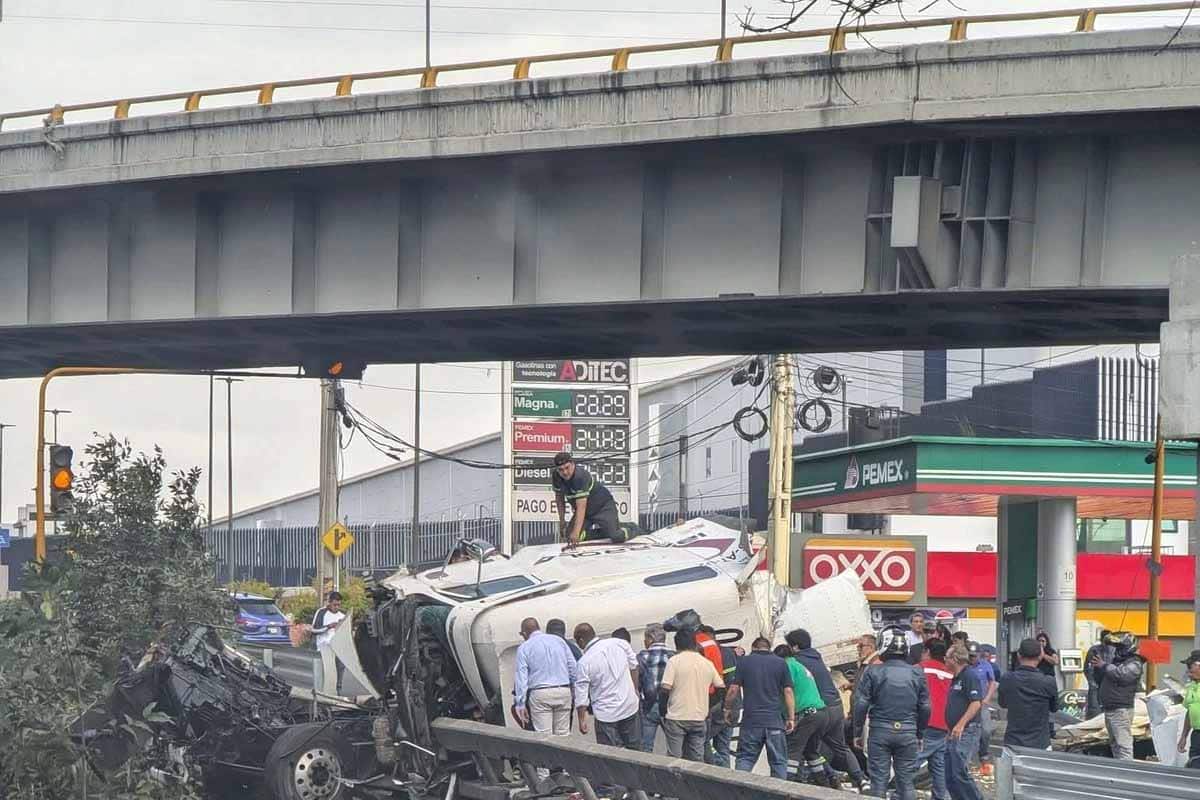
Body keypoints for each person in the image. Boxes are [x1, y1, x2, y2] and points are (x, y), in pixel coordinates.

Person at [852, 626, 930, 800]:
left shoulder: (873, 671)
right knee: (906, 782)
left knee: (878, 781)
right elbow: (925, 707)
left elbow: (861, 703)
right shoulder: (917, 672)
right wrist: (920, 733)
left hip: (880, 731)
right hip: (908, 731)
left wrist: (857, 732)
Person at [790, 628, 869, 791]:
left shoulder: (796, 661)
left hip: (820, 708)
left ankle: (826, 777)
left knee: (806, 747)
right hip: (836, 705)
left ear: (795, 646)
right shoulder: (817, 657)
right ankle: (861, 780)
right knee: (840, 747)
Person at [724, 637, 794, 779]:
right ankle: (779, 795)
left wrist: (727, 708)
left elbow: (733, 689)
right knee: (778, 762)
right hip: (775, 721)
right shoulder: (781, 663)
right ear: (768, 648)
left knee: (745, 759)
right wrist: (791, 718)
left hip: (751, 722)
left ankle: (739, 791)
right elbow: (788, 691)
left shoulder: (744, 662)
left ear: (753, 647)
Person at [574, 623, 643, 750]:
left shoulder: (584, 662)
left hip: (606, 715)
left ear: (581, 640)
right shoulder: (619, 643)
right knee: (636, 751)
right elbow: (634, 666)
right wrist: (635, 689)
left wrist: (582, 719)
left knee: (610, 757)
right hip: (629, 706)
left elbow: (581, 696)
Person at [660, 630, 724, 761]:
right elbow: (721, 688)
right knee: (697, 759)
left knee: (674, 759)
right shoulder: (707, 663)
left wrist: (663, 711)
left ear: (677, 645)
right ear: (695, 644)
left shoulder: (674, 661)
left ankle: (675, 782)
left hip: (676, 717)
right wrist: (709, 704)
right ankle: (694, 780)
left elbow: (665, 689)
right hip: (699, 717)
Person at [776, 643, 832, 787]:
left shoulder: (786, 667)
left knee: (792, 751)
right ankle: (826, 782)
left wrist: (790, 717)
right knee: (811, 751)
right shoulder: (799, 665)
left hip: (807, 714)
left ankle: (787, 786)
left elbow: (787, 691)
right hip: (821, 713)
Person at [514, 618, 578, 735]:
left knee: (544, 736)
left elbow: (521, 678)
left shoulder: (524, 647)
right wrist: (573, 688)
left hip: (540, 693)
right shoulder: (559, 641)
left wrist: (520, 703)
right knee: (563, 735)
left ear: (524, 633)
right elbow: (573, 668)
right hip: (563, 690)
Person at [998, 638, 1058, 751]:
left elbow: (1003, 704)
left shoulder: (1007, 678)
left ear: (1019, 655)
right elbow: (1054, 708)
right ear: (1040, 656)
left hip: (1013, 741)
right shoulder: (1048, 681)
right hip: (1040, 743)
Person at [553, 452, 623, 546]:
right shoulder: (556, 476)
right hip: (586, 513)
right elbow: (559, 499)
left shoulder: (580, 476)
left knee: (616, 537)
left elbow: (581, 507)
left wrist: (576, 532)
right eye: (561, 470)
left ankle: (630, 528)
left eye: (567, 467)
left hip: (602, 507)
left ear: (573, 464)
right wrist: (562, 520)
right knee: (570, 536)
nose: (565, 472)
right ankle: (606, 532)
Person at [944, 643, 985, 800]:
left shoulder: (969, 676)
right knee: (949, 774)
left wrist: (960, 724)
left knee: (960, 771)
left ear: (955, 659)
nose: (945, 660)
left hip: (967, 730)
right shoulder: (956, 678)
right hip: (954, 731)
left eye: (947, 657)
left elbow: (976, 703)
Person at [1093, 632, 1143, 760]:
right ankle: (1118, 772)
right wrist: (1098, 668)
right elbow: (1101, 679)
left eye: (1120, 647)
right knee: (1115, 744)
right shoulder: (1115, 661)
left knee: (1123, 745)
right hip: (1111, 708)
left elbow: (1123, 675)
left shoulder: (1135, 663)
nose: (1117, 650)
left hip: (1121, 709)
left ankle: (1127, 775)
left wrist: (1104, 665)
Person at [917, 639, 953, 800]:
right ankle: (940, 796)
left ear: (927, 651)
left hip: (925, 722)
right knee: (938, 765)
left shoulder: (919, 669)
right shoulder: (950, 673)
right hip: (944, 724)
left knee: (911, 762)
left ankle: (899, 794)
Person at [637, 623, 673, 752]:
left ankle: (645, 772)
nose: (644, 642)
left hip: (648, 705)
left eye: (645, 639)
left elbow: (637, 684)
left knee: (646, 747)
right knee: (673, 746)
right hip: (669, 705)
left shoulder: (642, 657)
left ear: (651, 639)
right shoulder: (673, 656)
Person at [966, 641, 997, 765]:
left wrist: (988, 698)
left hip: (981, 703)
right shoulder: (964, 666)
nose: (972, 658)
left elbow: (992, 683)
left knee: (986, 730)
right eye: (970, 656)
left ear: (979, 655)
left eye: (974, 656)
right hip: (967, 703)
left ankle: (983, 753)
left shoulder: (986, 665)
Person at [311, 591, 347, 695]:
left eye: (339, 605)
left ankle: (338, 691)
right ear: (329, 603)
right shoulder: (321, 612)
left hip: (338, 647)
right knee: (327, 672)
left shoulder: (342, 614)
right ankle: (324, 693)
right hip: (324, 647)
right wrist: (328, 627)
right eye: (334, 605)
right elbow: (314, 630)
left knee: (340, 668)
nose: (336, 607)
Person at [1083, 630, 1114, 719]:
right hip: (1096, 685)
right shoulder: (1094, 650)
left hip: (1110, 685)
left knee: (1109, 711)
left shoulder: (1115, 651)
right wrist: (1092, 683)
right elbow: (1088, 668)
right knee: (1094, 710)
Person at [1177, 650, 1200, 769]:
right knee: (1194, 766)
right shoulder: (1192, 687)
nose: (1189, 673)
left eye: (1191, 668)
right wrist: (1183, 737)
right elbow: (1190, 712)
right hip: (1197, 735)